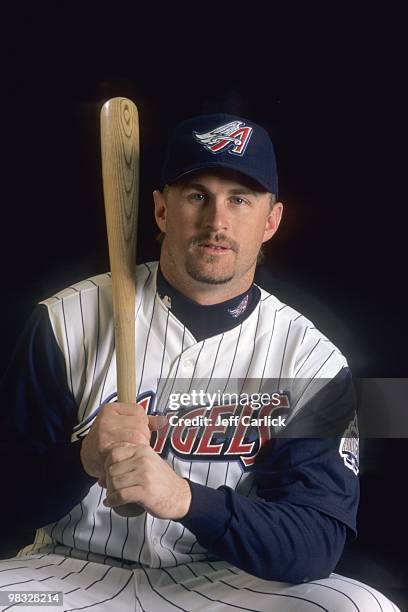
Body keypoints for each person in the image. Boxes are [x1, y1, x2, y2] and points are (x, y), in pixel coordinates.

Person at [0, 113, 399, 611]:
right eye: (197, 196)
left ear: (271, 220)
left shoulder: (312, 361)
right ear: (163, 210)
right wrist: (80, 460)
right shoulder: (64, 321)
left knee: (359, 607)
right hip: (63, 572)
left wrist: (186, 499)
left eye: (239, 199)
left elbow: (315, 542)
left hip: (221, 582)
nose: (217, 221)